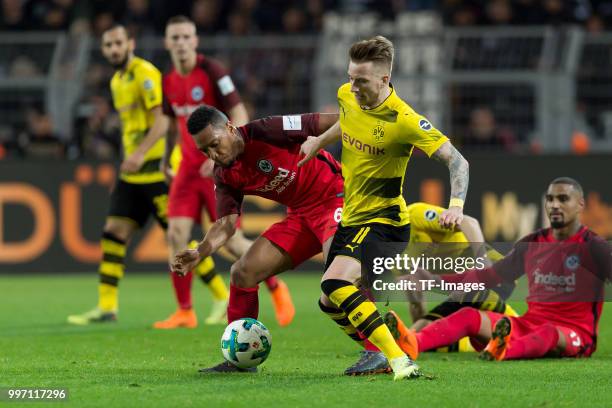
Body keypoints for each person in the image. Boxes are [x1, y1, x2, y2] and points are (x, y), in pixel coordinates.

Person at [298, 36, 470, 380]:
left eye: (361, 80)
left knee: (336, 283)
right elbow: (347, 119)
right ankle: (378, 350)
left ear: (384, 80)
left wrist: (455, 206)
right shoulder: (347, 95)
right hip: (353, 215)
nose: (353, 86)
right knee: (328, 302)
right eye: (350, 77)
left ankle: (399, 360)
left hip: (385, 220)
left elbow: (458, 162)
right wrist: (319, 141)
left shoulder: (404, 119)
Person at [172, 106, 343, 373]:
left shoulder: (268, 129)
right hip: (300, 216)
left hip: (335, 197)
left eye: (215, 145)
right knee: (242, 272)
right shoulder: (224, 173)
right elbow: (226, 224)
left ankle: (379, 350)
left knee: (338, 282)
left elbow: (343, 119)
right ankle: (239, 360)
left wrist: (324, 141)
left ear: (229, 127)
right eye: (205, 151)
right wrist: (201, 250)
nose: (213, 155)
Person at [154, 15, 294, 329]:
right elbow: (172, 127)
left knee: (230, 241)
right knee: (175, 234)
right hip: (187, 171)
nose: (180, 43)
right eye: (174, 38)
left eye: (185, 37)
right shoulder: (168, 81)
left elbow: (238, 111)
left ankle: (275, 286)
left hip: (214, 171)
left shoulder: (213, 72)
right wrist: (166, 158)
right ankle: (185, 310)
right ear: (167, 43)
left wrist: (224, 153)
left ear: (195, 40)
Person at [387, 178, 611, 361]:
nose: (555, 205)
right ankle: (413, 343)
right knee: (468, 316)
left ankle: (503, 349)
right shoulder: (533, 243)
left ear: (580, 204)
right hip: (529, 325)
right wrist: (435, 280)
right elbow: (491, 276)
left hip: (575, 334)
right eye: (550, 199)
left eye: (563, 199)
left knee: (548, 332)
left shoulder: (593, 247)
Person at [68, 24, 170, 325]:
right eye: (108, 45)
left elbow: (162, 122)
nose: (113, 49)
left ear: (131, 43)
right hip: (132, 173)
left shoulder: (145, 74)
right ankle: (107, 306)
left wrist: (139, 155)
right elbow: (131, 130)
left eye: (118, 43)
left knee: (177, 239)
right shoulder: (117, 81)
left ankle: (219, 297)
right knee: (113, 233)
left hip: (154, 169)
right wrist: (128, 160)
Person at [383, 202, 519, 353]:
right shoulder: (395, 259)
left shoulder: (415, 215)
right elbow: (416, 302)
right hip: (460, 287)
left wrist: (483, 262)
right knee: (427, 330)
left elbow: (469, 222)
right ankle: (406, 342)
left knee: (466, 295)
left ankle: (517, 322)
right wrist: (421, 324)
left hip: (494, 273)